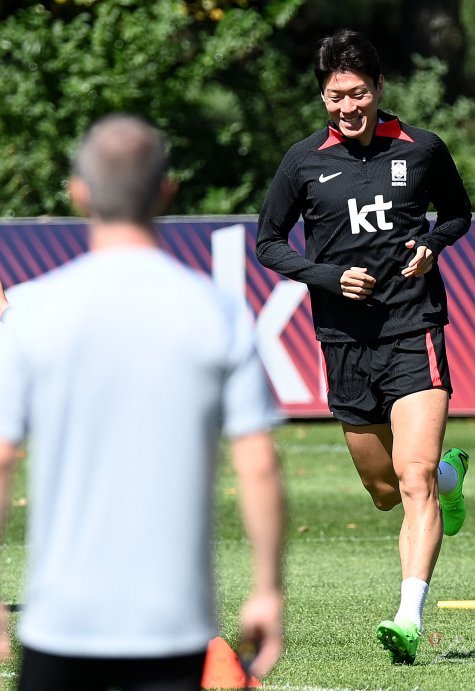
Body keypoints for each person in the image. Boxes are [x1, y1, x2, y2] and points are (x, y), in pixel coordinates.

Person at [0, 115, 285, 690]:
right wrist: (266, 590)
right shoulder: (217, 311)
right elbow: (257, 462)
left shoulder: (32, 312)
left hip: (61, 620)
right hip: (173, 622)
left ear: (78, 193)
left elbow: (3, 457)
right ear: (166, 190)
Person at [256, 29, 471, 665]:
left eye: (357, 93)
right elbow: (268, 243)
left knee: (413, 476)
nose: (348, 107)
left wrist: (432, 244)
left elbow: (457, 214)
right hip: (345, 342)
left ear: (378, 88)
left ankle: (408, 617)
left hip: (414, 327)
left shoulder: (421, 148)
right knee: (384, 490)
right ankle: (453, 476)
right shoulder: (303, 161)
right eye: (335, 97)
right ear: (322, 98)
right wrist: (326, 276)